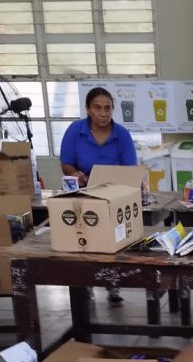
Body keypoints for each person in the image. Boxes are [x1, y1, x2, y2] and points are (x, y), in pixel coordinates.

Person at [59, 87, 138, 304]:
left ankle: (113, 284)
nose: (103, 113)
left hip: (114, 196)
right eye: (97, 108)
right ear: (87, 109)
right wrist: (76, 174)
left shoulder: (122, 135)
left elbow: (130, 170)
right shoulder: (75, 131)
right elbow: (66, 163)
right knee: (84, 241)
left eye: (108, 108)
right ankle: (86, 284)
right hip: (83, 194)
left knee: (114, 242)